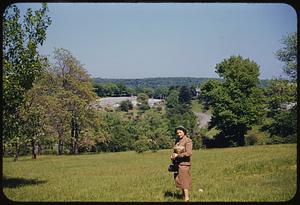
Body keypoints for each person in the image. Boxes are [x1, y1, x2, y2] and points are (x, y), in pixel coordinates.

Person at [170, 126, 193, 202]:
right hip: (177, 164)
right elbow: (175, 151)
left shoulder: (188, 140)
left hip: (184, 164)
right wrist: (173, 156)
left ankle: (186, 198)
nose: (179, 134)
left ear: (184, 132)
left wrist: (178, 155)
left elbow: (189, 153)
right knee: (178, 180)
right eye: (177, 133)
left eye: (180, 132)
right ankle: (183, 196)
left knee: (184, 181)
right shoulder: (177, 141)